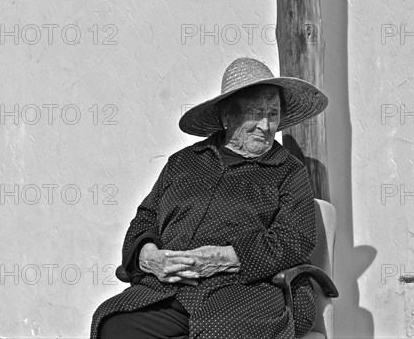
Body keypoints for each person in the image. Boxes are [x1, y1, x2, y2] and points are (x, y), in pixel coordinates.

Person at [91, 57, 329, 339]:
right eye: (255, 114)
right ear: (227, 117)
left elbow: (294, 239)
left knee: (222, 329)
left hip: (246, 290)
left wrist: (224, 258)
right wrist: (149, 255)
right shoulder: (184, 162)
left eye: (273, 114)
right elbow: (145, 218)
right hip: (170, 289)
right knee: (114, 323)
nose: (266, 126)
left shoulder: (288, 171)